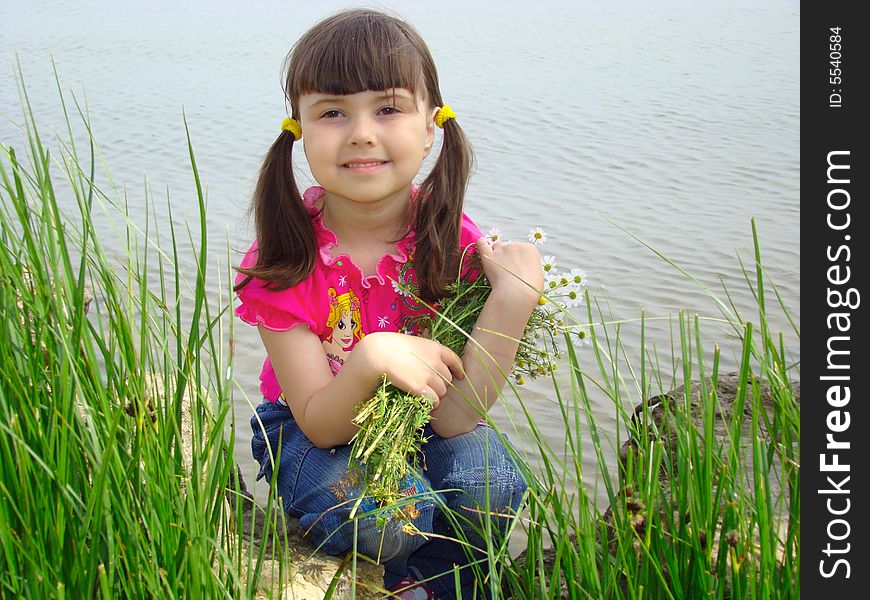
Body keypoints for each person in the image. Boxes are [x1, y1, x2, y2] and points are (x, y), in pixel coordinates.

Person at [234, 8, 543, 598]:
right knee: (386, 515)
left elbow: (454, 417)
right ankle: (375, 570)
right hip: (310, 430)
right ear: (297, 129)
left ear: (431, 125)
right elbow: (321, 426)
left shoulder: (451, 240)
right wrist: (372, 356)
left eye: (389, 108)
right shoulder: (284, 258)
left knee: (493, 482)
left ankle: (435, 585)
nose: (361, 133)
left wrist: (514, 300)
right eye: (332, 112)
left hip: (423, 422)